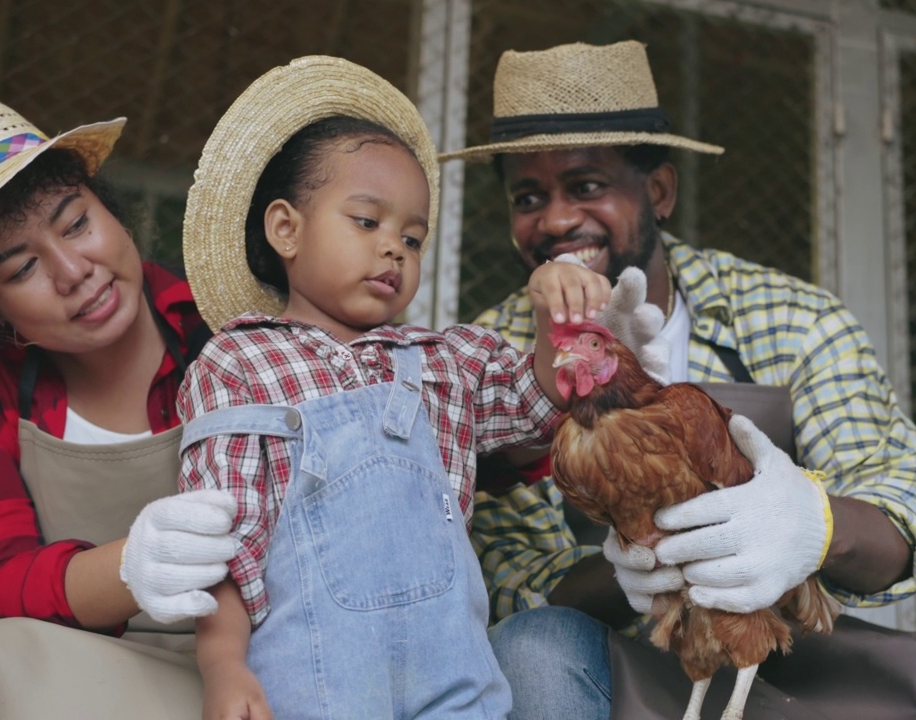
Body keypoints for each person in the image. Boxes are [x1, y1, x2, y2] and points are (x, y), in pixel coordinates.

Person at [442, 41, 916, 719]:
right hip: (607, 673)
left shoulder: (792, 317)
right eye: (529, 196)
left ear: (659, 190)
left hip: (796, 667)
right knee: (531, 650)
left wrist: (814, 524)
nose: (557, 218)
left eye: (587, 185)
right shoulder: (490, 356)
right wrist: (633, 572)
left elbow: (899, 510)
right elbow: (507, 591)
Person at [172, 56, 636, 719]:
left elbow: (537, 407)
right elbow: (223, 537)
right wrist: (223, 668)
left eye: (413, 238)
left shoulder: (445, 361)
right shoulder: (241, 363)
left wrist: (552, 321)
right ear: (286, 229)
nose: (394, 249)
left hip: (456, 686)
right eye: (367, 222)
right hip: (315, 687)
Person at [0, 93, 240, 719]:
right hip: (90, 675)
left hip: (254, 659)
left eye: (77, 223)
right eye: (23, 268)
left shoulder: (221, 325)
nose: (73, 270)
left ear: (111, 207)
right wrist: (131, 569)